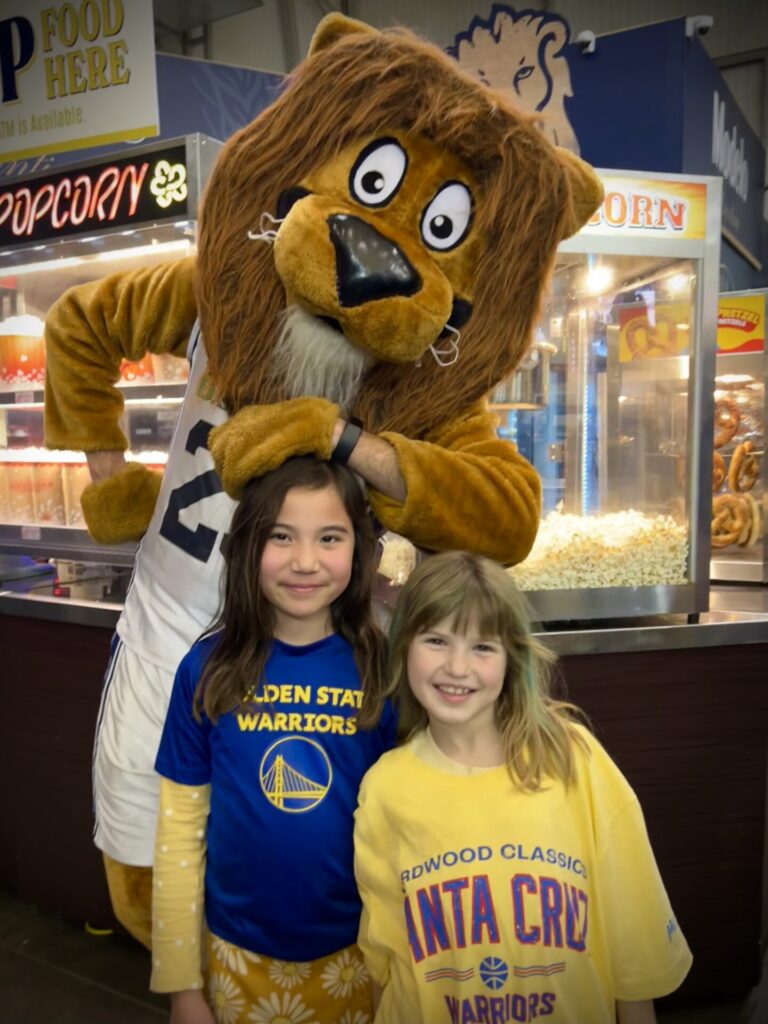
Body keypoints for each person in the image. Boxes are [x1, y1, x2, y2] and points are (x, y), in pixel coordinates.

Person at [354, 552, 692, 1024]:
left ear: (512, 658)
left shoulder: (573, 759)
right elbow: (383, 961)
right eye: (436, 640)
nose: (457, 667)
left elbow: (632, 937)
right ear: (404, 645)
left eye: (482, 647)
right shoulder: (385, 788)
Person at [150, 457, 395, 1024]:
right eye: (281, 536)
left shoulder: (385, 669)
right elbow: (179, 833)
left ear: (359, 549)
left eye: (329, 538)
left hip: (361, 959)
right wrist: (181, 985)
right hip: (234, 958)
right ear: (247, 546)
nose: (305, 561)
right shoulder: (206, 669)